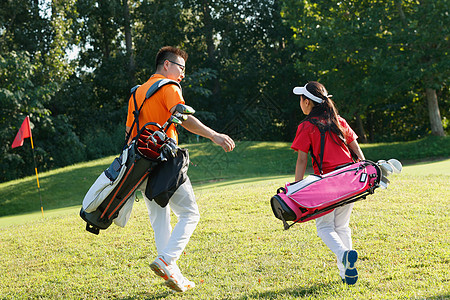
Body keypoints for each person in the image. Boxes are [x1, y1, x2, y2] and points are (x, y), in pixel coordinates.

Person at [125, 46, 235, 293]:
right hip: (165, 161)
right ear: (166, 65)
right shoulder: (169, 87)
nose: (183, 74)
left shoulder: (137, 92)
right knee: (190, 213)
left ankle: (173, 275)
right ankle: (167, 260)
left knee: (160, 220)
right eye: (181, 68)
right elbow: (183, 117)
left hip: (140, 163)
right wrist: (214, 135)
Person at [290, 81, 365, 285]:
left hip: (326, 183)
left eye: (301, 99)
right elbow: (357, 151)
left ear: (307, 102)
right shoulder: (339, 121)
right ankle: (345, 273)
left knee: (324, 227)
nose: (300, 103)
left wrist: (297, 189)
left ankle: (343, 255)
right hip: (349, 180)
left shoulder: (306, 126)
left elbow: (302, 160)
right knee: (342, 226)